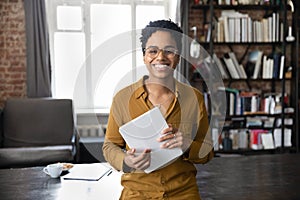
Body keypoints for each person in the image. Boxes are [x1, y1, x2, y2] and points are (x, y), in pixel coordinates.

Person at [102, 19, 214, 199]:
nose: (160, 57)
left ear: (178, 57)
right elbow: (110, 146)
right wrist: (126, 161)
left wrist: (187, 145)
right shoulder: (122, 98)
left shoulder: (195, 99)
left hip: (183, 193)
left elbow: (207, 152)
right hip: (137, 192)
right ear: (144, 56)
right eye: (153, 51)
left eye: (169, 51)